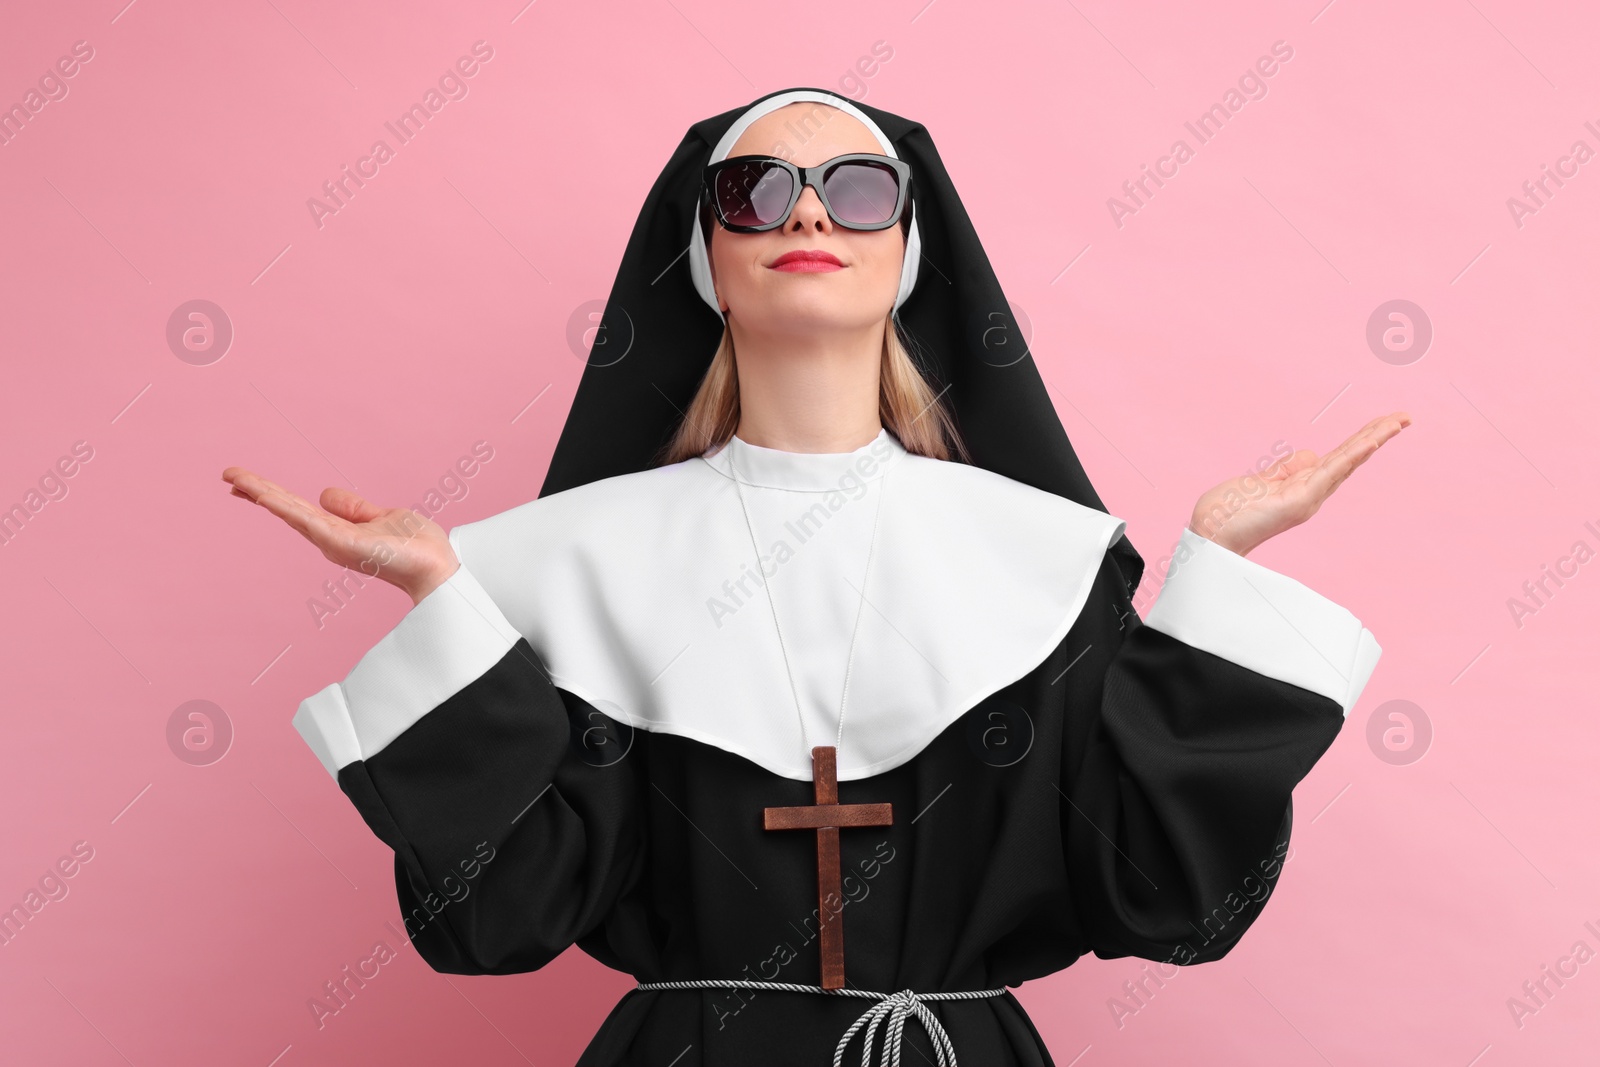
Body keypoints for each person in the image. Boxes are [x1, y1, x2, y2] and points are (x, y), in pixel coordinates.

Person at [223, 87, 1409, 1066]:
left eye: (856, 186)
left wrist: (1216, 576)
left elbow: (1164, 900)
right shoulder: (567, 562)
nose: (808, 212)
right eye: (753, 191)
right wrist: (445, 594)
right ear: (704, 262)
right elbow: (496, 918)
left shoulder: (1038, 560)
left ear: (906, 253)